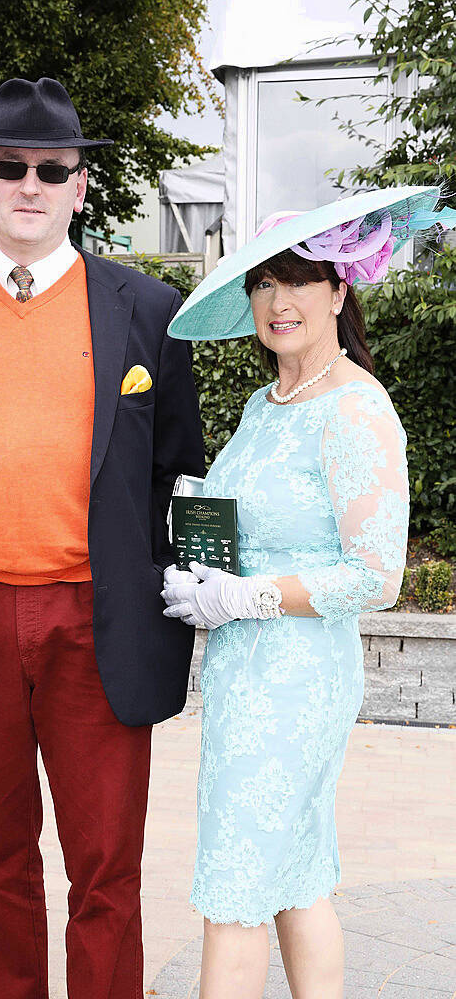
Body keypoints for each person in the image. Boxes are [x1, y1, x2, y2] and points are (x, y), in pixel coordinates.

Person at [0, 77, 204, 998]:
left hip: (100, 624)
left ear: (79, 187)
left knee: (105, 871)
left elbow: (178, 469)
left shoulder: (149, 309)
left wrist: (193, 595)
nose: (29, 184)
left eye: (52, 169)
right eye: (9, 166)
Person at [163, 187, 456, 999]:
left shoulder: (357, 408)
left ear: (339, 291)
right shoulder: (264, 405)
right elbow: (245, 530)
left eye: (299, 281)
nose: (278, 300)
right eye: (263, 283)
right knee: (292, 879)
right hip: (240, 674)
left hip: (295, 681)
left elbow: (377, 574)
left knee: (235, 891)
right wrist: (199, 570)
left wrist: (243, 599)